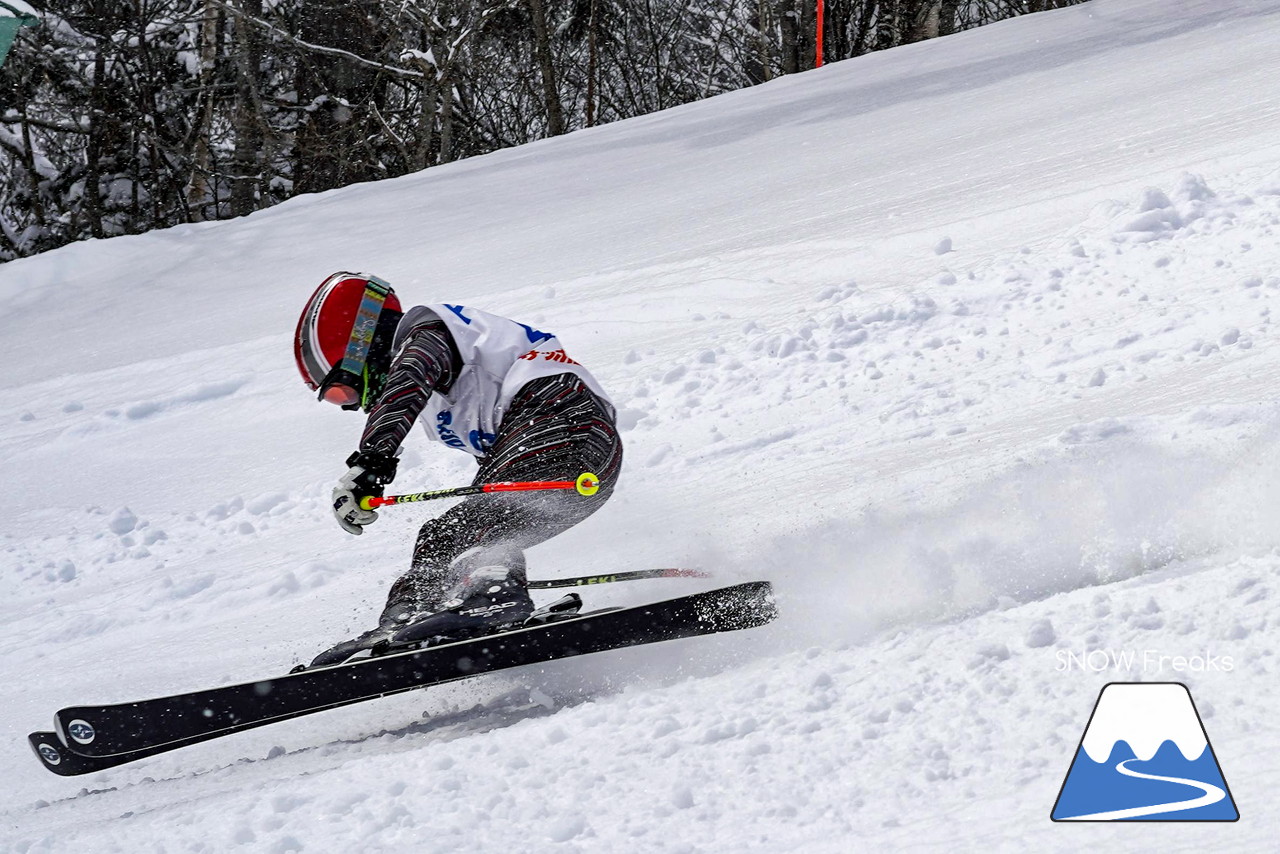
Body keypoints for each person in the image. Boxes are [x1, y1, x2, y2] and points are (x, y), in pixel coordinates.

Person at [293, 272, 623, 664]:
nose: (350, 405)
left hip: (563, 423)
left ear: (360, 349)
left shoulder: (425, 333)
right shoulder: (450, 385)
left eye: (340, 391)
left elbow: (406, 382)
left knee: (481, 521)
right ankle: (406, 619)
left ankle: (494, 595)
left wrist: (370, 462)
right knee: (442, 535)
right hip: (578, 464)